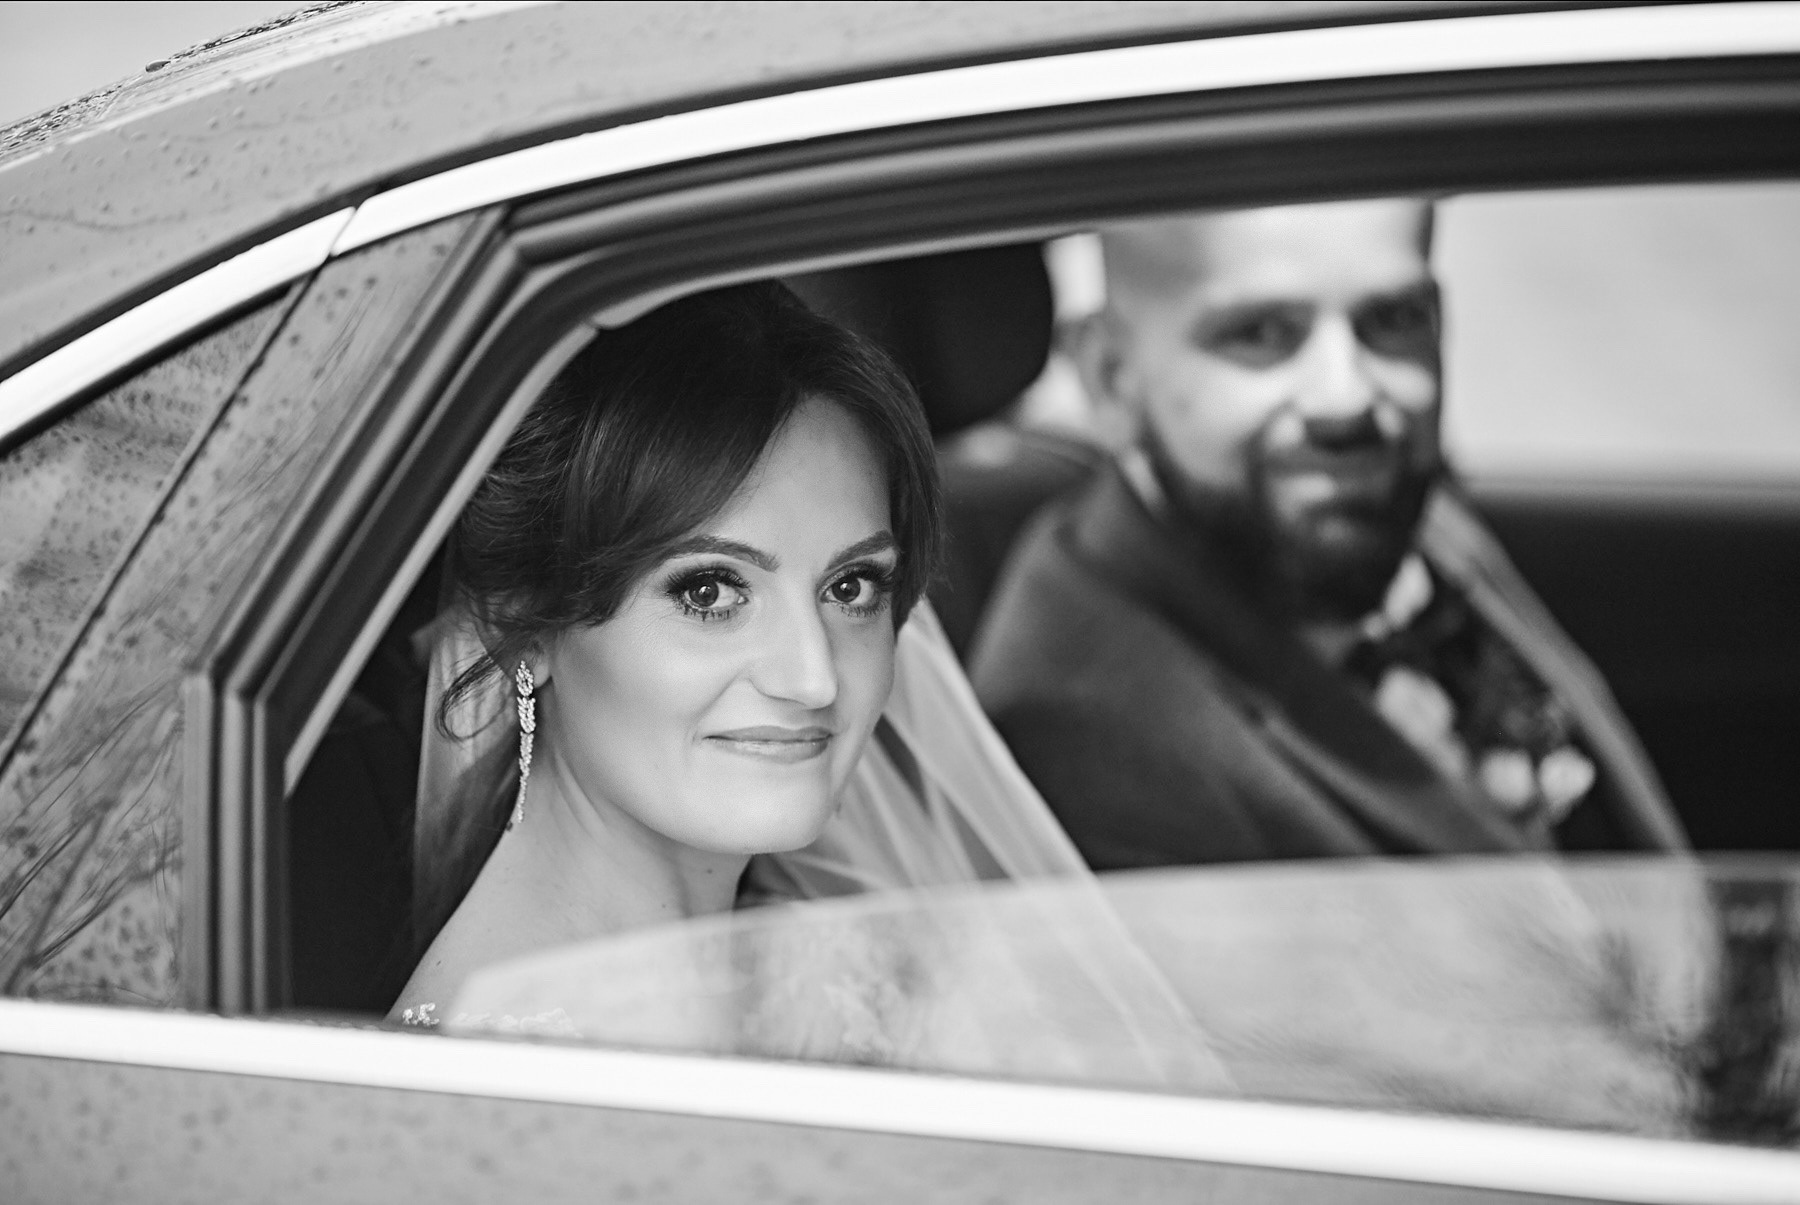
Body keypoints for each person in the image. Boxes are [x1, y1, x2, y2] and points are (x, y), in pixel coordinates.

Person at [390, 282, 1111, 1030]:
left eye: (850, 586)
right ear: (523, 624)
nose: (814, 678)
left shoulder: (833, 976)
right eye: (709, 592)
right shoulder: (482, 1071)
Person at [968, 199, 1688, 870]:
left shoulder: (1387, 512)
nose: (1347, 396)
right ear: (1111, 377)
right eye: (1260, 333)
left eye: (1395, 318)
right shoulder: (1087, 747)